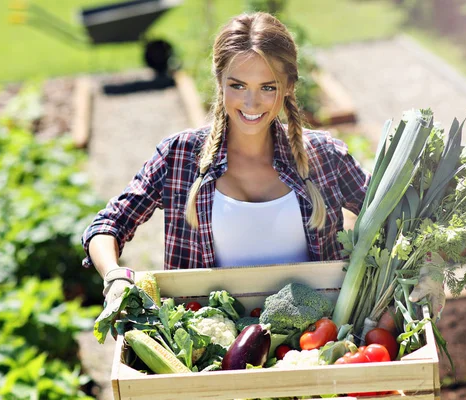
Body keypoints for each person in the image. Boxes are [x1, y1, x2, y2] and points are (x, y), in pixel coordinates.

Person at [81, 12, 442, 317]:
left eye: (267, 87)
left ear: (287, 87)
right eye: (238, 85)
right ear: (219, 83)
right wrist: (114, 275)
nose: (252, 103)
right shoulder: (179, 157)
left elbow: (401, 219)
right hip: (211, 355)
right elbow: (108, 225)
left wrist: (429, 265)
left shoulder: (324, 157)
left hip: (315, 342)